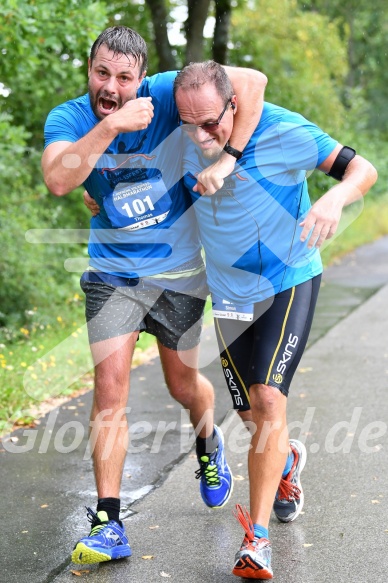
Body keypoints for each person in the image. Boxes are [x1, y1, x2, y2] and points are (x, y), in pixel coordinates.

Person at [41, 27, 267, 566]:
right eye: (102, 74)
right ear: (89, 70)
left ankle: (208, 443)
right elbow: (57, 178)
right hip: (111, 275)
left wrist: (228, 157)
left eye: (124, 78)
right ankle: (108, 521)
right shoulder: (70, 119)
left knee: (184, 386)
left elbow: (253, 83)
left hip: (180, 272)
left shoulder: (165, 92)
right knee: (110, 389)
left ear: (143, 78)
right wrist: (111, 125)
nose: (111, 87)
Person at [172, 61, 378, 579]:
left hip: (289, 278)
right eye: (189, 124)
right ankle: (285, 462)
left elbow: (363, 170)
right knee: (251, 420)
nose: (201, 136)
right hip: (229, 295)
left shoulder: (285, 131)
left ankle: (255, 541)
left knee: (268, 399)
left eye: (211, 123)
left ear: (235, 106)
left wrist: (333, 198)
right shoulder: (179, 141)